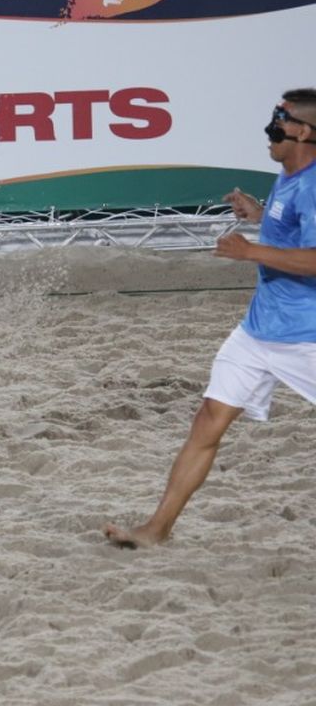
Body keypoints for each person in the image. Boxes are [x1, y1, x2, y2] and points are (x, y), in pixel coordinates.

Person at [105, 89, 316, 548]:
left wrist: (252, 250)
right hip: (259, 332)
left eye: (280, 118)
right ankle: (155, 531)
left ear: (303, 130)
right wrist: (258, 215)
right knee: (208, 420)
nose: (271, 126)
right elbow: (291, 233)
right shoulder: (289, 174)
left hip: (306, 337)